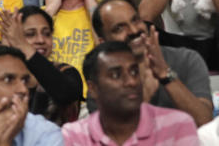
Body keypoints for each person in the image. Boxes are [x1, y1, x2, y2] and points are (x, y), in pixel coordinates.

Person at [92, 0, 212, 126]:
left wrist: (165, 74)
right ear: (103, 42)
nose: (133, 30)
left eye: (135, 20)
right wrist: (144, 98)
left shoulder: (187, 59)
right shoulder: (101, 79)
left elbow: (204, 121)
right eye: (119, 28)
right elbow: (112, 136)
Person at [61, 41, 199, 145]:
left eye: (134, 72)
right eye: (116, 75)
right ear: (93, 88)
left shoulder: (177, 125)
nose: (131, 82)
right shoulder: (74, 135)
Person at [0, 7, 83, 125]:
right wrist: (6, 52)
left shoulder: (65, 71)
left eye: (47, 34)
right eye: (30, 34)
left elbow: (66, 95)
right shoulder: (1, 75)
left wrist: (22, 44)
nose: (41, 40)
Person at [43, 0, 100, 93]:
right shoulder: (40, 16)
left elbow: (112, 54)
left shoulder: (107, 12)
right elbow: (25, 58)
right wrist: (50, 9)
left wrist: (91, 5)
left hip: (95, 105)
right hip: (51, 105)